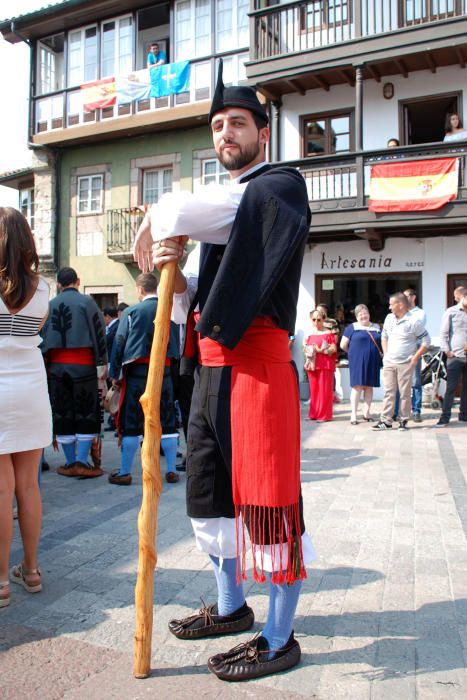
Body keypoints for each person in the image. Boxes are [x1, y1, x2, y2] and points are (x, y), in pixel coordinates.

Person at [132, 60, 314, 681]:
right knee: (211, 495)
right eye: (216, 125)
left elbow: (181, 208)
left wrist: (161, 221)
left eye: (237, 122)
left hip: (259, 371)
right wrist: (173, 275)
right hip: (209, 372)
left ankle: (280, 635)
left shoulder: (277, 189)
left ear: (262, 130)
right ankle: (234, 607)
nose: (225, 134)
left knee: (267, 502)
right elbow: (194, 299)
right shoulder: (223, 210)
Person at [0, 207, 52, 608]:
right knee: (28, 486)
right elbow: (34, 330)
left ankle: (1, 581)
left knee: (1, 490)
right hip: (31, 388)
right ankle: (31, 570)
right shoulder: (44, 289)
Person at [108, 273, 179, 485]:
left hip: (137, 374)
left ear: (139, 290)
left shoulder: (130, 311)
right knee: (167, 421)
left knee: (131, 423)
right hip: (164, 374)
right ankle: (172, 470)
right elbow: (178, 344)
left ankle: (124, 472)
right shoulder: (170, 311)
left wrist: (114, 374)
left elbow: (119, 343)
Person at [41, 267, 107, 478]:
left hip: (57, 369)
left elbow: (41, 339)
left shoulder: (49, 305)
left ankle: (70, 462)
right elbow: (99, 333)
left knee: (62, 411)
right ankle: (81, 461)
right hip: (83, 366)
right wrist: (102, 363)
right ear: (77, 281)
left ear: (59, 284)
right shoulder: (87, 302)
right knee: (86, 410)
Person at [373, 293, 430, 431]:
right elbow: (384, 337)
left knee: (405, 393)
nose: (389, 307)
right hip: (389, 363)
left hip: (405, 363)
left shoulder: (413, 321)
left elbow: (426, 341)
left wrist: (415, 357)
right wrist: (386, 355)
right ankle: (386, 421)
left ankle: (403, 420)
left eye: (392, 304)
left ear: (401, 305)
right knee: (389, 392)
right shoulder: (389, 318)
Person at [340, 304, 382, 425]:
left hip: (373, 360)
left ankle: (367, 412)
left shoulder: (376, 326)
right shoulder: (352, 327)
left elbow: (383, 341)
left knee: (369, 386)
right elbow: (343, 345)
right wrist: (353, 353)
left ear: (369, 314)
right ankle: (353, 414)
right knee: (357, 386)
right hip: (357, 360)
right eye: (360, 314)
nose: (363, 316)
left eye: (365, 313)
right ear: (357, 316)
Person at [435, 287, 467, 427]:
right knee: (451, 388)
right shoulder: (451, 312)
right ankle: (445, 417)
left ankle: (464, 415)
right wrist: (447, 351)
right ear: (463, 297)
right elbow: (443, 334)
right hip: (455, 356)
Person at [304, 309, 337, 422]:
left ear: (323, 320)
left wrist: (320, 350)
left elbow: (333, 349)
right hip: (312, 365)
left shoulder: (328, 334)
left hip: (325, 364)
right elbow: (306, 349)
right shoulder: (309, 334)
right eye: (314, 319)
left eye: (319, 319)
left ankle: (324, 415)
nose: (316, 322)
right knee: (313, 391)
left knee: (324, 390)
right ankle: (313, 413)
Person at [403, 288, 426, 422]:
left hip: (415, 348)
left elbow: (416, 329)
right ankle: (402, 410)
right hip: (402, 349)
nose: (405, 299)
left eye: (407, 296)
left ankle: (416, 410)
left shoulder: (420, 313)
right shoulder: (401, 313)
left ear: (413, 297)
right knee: (402, 381)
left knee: (416, 381)